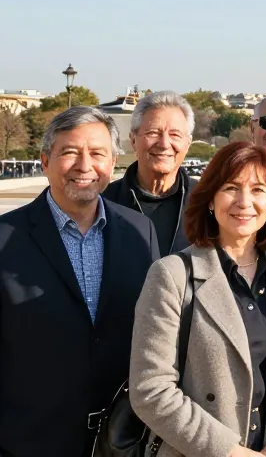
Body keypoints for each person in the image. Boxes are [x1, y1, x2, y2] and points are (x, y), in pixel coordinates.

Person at [129, 142, 266, 457]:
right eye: (231, 188)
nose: (244, 202)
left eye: (258, 190)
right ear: (210, 199)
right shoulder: (172, 274)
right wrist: (231, 452)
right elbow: (150, 388)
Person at [0, 107, 159, 457]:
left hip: (121, 442)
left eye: (97, 153)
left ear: (113, 162)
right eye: (70, 152)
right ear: (45, 161)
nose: (84, 165)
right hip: (29, 443)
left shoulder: (140, 232)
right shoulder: (5, 238)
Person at [105, 89, 196, 255]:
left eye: (175, 135)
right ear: (133, 140)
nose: (164, 144)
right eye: (153, 133)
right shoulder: (104, 203)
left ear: (188, 144)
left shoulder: (207, 201)